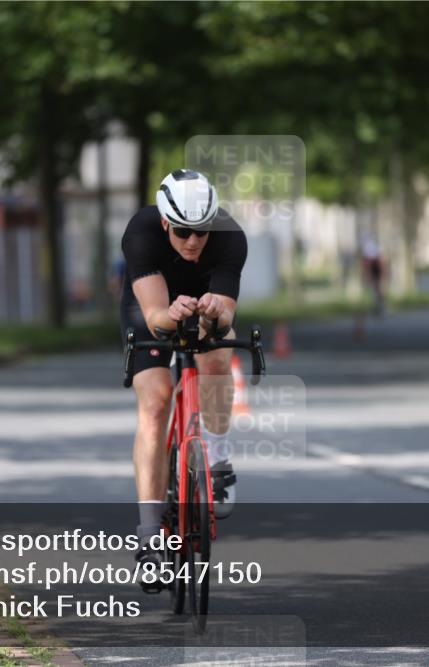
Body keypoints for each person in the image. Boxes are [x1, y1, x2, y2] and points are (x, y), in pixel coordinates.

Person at [120, 169, 247, 590]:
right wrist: (169, 315)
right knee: (155, 402)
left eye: (201, 231)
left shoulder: (229, 236)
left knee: (216, 356)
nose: (192, 241)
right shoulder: (141, 232)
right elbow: (156, 318)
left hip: (207, 300)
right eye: (182, 232)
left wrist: (213, 314)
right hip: (153, 305)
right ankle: (150, 535)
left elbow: (225, 318)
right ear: (164, 223)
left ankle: (217, 456)